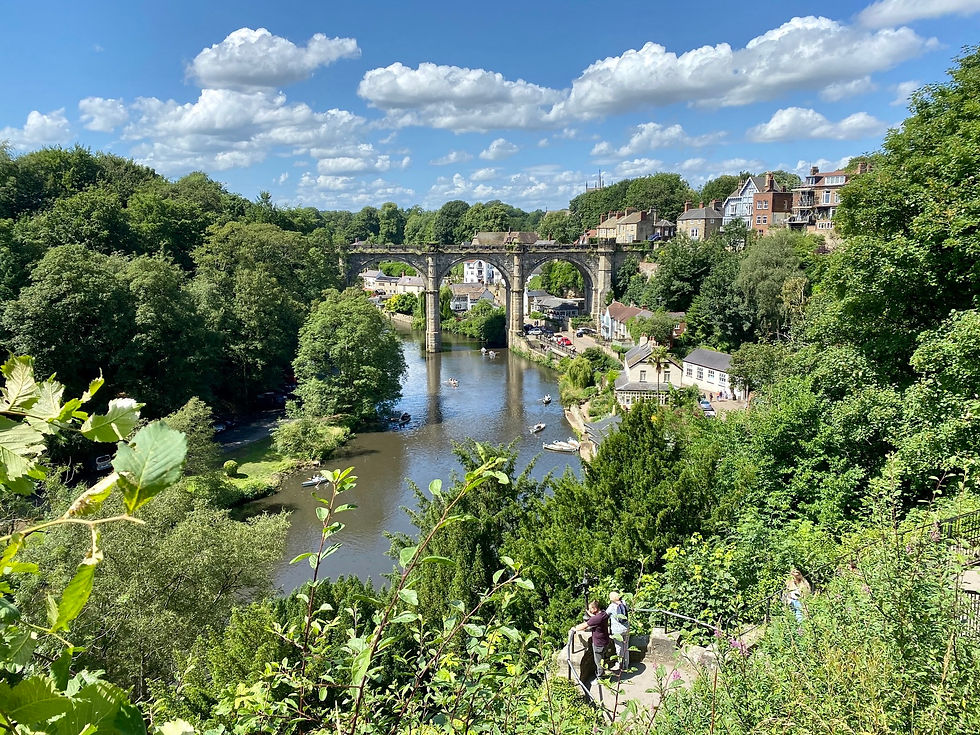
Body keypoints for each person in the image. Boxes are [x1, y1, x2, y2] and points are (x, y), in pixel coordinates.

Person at [572, 600, 610, 679]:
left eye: (591, 609)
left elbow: (584, 625)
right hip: (605, 641)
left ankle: (600, 678)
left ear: (595, 609)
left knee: (599, 662)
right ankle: (602, 674)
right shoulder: (603, 614)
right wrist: (590, 614)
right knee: (602, 659)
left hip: (599, 643)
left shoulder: (597, 618)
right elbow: (595, 618)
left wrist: (574, 629)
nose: (589, 610)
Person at [606, 592, 630, 671]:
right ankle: (626, 664)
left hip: (617, 631)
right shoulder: (624, 603)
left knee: (619, 648)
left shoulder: (612, 606)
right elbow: (628, 610)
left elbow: (605, 615)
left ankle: (621, 665)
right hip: (626, 628)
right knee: (626, 647)